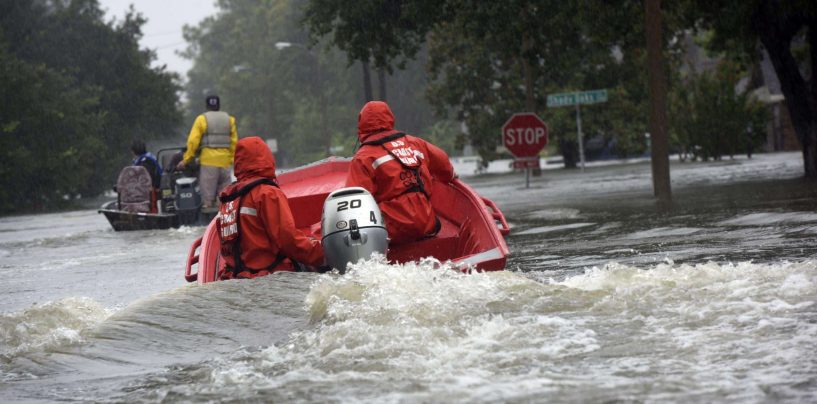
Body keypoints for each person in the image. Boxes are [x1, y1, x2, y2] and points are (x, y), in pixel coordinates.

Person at [346, 101, 456, 245]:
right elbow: (445, 166)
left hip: (391, 232)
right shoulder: (415, 143)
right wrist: (451, 176)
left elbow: (354, 201)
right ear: (390, 118)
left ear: (362, 126)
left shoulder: (363, 158)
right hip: (426, 224)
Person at [217, 136, 324, 280]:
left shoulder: (228, 198)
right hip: (269, 276)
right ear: (267, 158)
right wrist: (322, 254)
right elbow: (289, 241)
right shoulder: (267, 193)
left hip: (234, 277)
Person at [177, 95, 238, 209]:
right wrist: (231, 160)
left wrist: (186, 160)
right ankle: (224, 220)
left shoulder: (202, 119)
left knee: (208, 200)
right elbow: (234, 143)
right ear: (219, 105)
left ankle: (207, 219)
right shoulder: (229, 119)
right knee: (224, 199)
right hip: (225, 162)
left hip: (208, 162)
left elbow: (193, 141)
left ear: (207, 106)